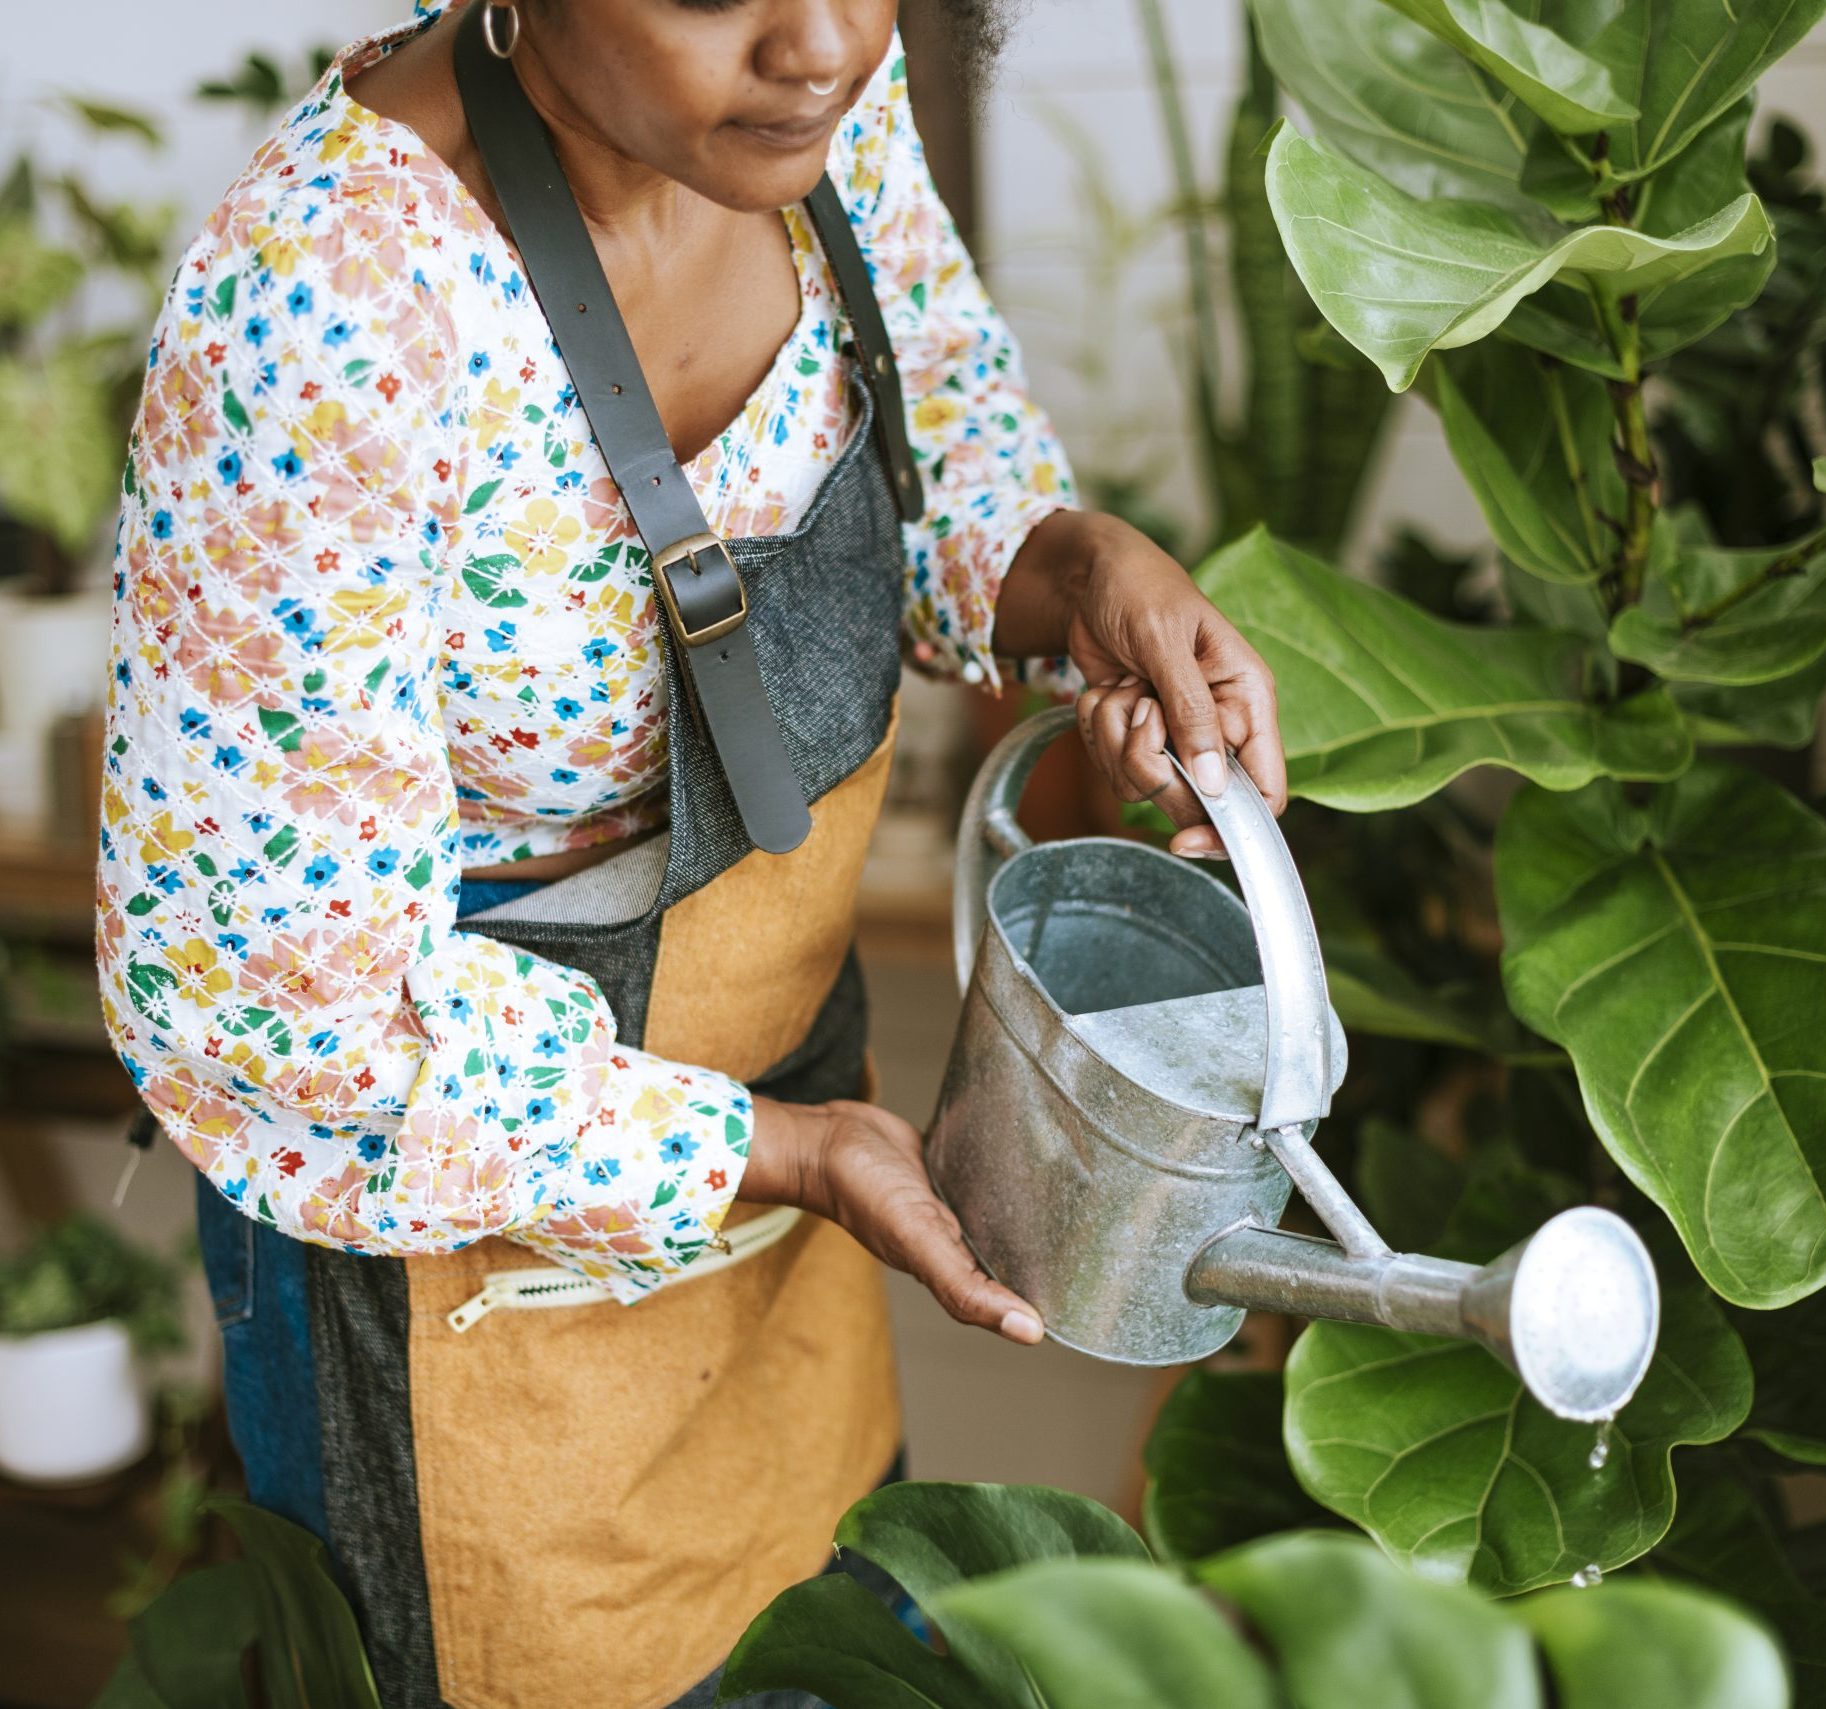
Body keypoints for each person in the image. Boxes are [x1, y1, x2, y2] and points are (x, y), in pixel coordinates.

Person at [96, 1, 1284, 1703]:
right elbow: (285, 1014)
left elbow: (937, 459)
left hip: (791, 1179)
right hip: (464, 1235)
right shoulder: (327, 308)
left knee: (815, 1639)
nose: (818, 40)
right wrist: (777, 1150)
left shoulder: (803, 125)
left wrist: (1077, 566)